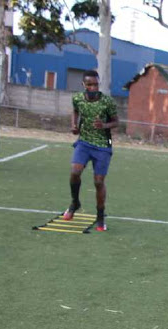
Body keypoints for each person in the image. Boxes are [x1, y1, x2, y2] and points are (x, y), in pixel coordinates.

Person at [63, 69, 119, 231]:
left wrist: (104, 125)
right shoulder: (77, 99)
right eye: (90, 84)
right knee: (75, 171)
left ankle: (100, 217)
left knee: (98, 181)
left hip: (103, 145)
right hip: (84, 142)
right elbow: (75, 111)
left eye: (96, 84)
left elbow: (116, 122)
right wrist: (74, 125)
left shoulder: (107, 102)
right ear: (83, 85)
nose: (93, 87)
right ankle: (75, 202)